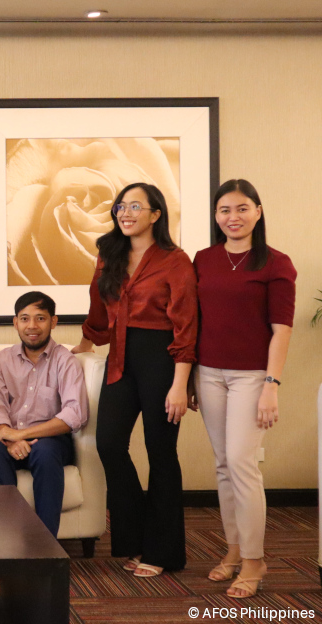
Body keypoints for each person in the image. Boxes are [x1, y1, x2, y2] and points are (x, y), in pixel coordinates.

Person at [73, 182, 197, 578]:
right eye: (121, 207)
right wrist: (85, 342)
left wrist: (180, 383)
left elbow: (186, 325)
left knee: (161, 453)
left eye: (135, 207)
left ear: (156, 214)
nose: (125, 214)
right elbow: (98, 307)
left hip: (161, 358)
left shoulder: (176, 261)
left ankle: (163, 552)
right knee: (109, 444)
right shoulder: (108, 254)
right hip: (120, 357)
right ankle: (139, 539)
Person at [191, 180, 295, 598]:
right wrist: (191, 376)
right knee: (223, 464)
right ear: (216, 216)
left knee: (241, 462)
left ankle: (255, 561)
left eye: (242, 208)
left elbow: (281, 330)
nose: (232, 217)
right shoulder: (204, 259)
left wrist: (271, 384)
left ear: (258, 211)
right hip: (208, 373)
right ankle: (234, 550)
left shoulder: (276, 263)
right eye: (224, 210)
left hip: (252, 376)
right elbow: (196, 320)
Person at [0, 291, 89, 538]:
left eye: (40, 318)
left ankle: (44, 546)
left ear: (53, 321)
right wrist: (9, 437)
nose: (32, 326)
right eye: (25, 318)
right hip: (9, 438)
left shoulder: (65, 361)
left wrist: (22, 435)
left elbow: (74, 414)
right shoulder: (1, 361)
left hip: (51, 440)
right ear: (15, 322)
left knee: (45, 452)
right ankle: (4, 542)